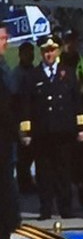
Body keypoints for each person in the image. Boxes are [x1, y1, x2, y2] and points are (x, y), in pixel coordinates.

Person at [19, 34, 83, 220]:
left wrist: (81, 127)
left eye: (52, 50)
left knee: (63, 171)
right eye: (45, 51)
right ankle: (45, 208)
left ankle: (65, 208)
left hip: (63, 131)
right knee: (44, 173)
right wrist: (26, 131)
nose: (49, 54)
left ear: (58, 51)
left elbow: (77, 102)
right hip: (42, 133)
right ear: (41, 53)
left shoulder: (68, 73)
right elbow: (26, 106)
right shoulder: (33, 76)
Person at [59, 28, 83, 209]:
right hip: (64, 119)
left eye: (73, 41)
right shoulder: (58, 64)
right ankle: (65, 199)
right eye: (67, 42)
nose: (70, 45)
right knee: (66, 161)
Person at [0, 24, 20, 239]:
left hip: (5, 144)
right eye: (2, 38)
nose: (5, 42)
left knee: (8, 204)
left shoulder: (5, 69)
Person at [11, 42, 36, 194]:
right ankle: (24, 184)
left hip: (35, 117)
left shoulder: (34, 71)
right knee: (23, 154)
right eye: (26, 53)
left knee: (33, 152)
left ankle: (31, 181)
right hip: (21, 117)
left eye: (31, 53)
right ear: (21, 55)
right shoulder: (17, 74)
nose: (30, 56)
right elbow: (14, 99)